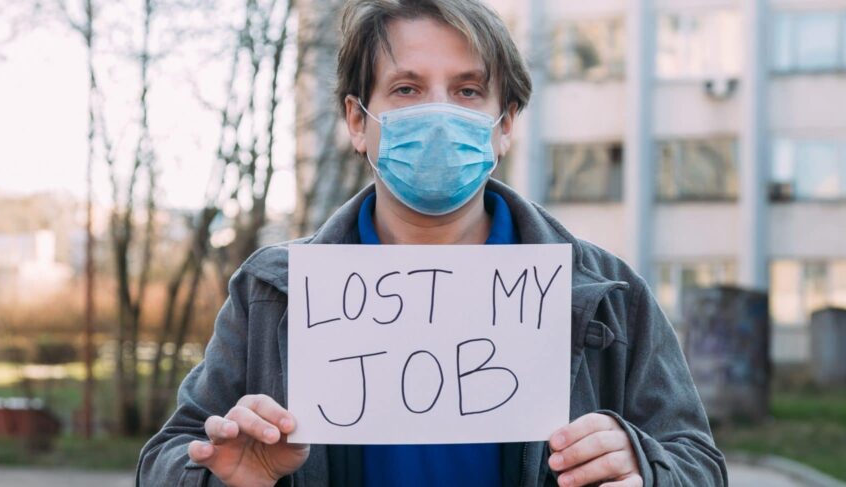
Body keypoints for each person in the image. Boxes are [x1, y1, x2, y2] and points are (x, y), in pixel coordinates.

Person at [137, 0, 727, 485]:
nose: (440, 114)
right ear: (356, 120)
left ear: (505, 125)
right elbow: (164, 459)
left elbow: (700, 466)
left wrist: (644, 467)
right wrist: (224, 478)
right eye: (407, 89)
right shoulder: (272, 292)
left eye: (468, 91)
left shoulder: (606, 293)